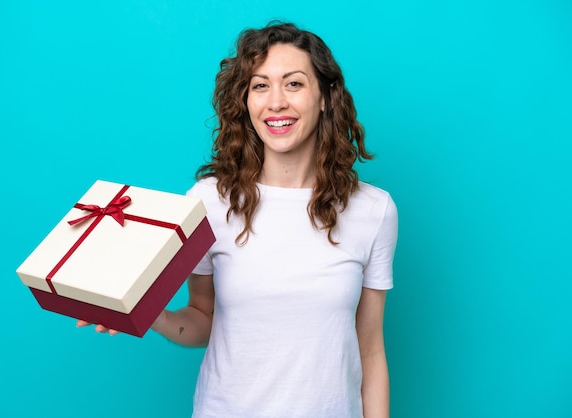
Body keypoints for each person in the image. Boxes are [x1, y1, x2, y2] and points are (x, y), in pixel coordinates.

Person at [79, 21, 398, 418]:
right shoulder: (209, 202)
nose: (276, 102)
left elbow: (370, 349)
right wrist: (150, 314)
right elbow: (202, 320)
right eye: (260, 85)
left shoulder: (373, 210)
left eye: (294, 84)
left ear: (325, 98)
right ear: (245, 100)